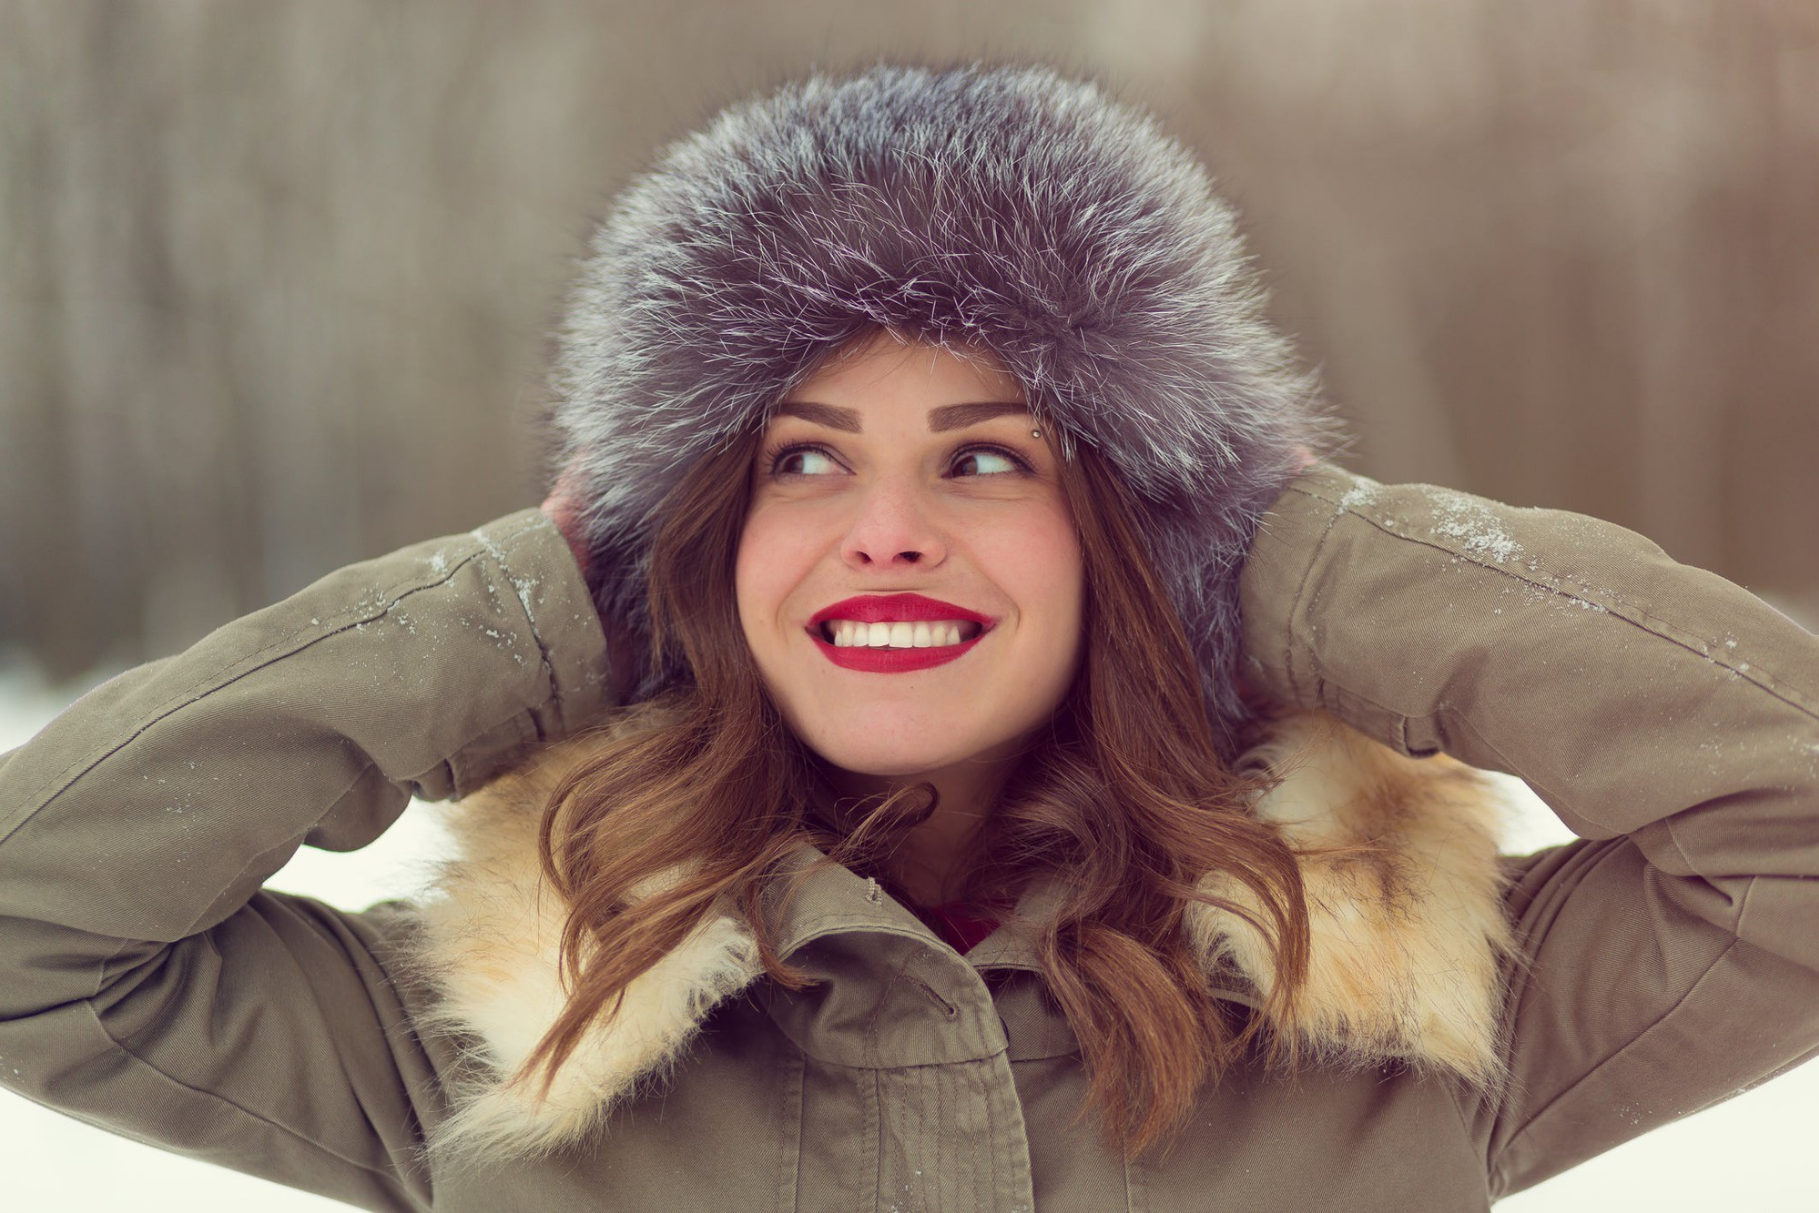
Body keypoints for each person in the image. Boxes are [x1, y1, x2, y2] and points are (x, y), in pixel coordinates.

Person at [1, 60, 1815, 1212]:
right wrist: (529, 607)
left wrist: (1288, 561)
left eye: (985, 456)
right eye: (800, 459)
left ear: (1130, 519)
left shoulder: (1384, 1012)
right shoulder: (512, 1030)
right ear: (700, 541)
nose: (884, 527)